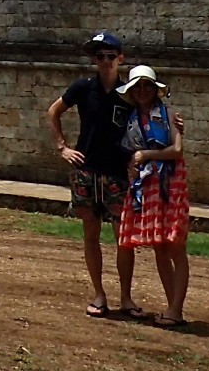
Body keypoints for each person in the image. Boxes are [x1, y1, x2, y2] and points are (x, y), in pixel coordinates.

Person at [47, 31, 136, 317]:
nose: (106, 61)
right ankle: (99, 294)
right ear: (94, 60)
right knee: (91, 235)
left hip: (117, 174)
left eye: (111, 56)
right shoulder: (83, 88)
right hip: (86, 171)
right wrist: (62, 147)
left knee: (124, 239)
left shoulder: (129, 95)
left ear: (120, 59)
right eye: (100, 56)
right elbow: (54, 111)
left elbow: (151, 118)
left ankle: (126, 297)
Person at [115, 64, 191, 326]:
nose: (143, 90)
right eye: (138, 86)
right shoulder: (132, 118)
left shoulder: (169, 114)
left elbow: (177, 150)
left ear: (155, 89)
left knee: (175, 247)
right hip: (147, 186)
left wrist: (147, 155)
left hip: (170, 183)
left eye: (148, 85)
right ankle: (172, 309)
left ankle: (176, 309)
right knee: (160, 246)